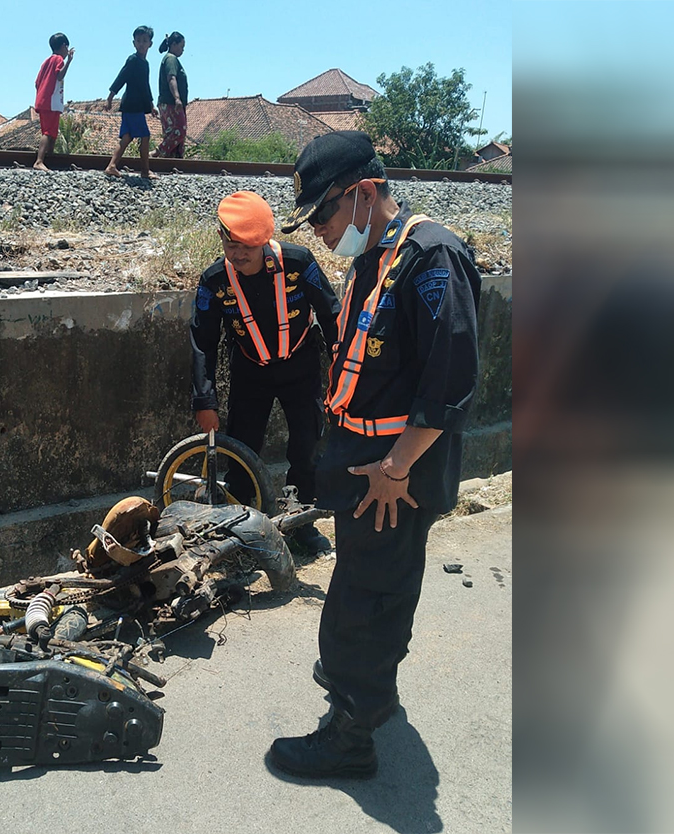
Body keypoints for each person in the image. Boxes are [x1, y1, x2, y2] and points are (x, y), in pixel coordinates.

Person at [269, 131, 481, 779]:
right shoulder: (377, 258)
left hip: (393, 476)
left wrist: (396, 467)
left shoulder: (432, 257)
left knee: (368, 595)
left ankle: (352, 733)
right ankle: (368, 690)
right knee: (370, 582)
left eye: (325, 215)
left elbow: (451, 378)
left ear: (363, 194)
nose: (323, 233)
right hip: (367, 467)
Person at [190, 191, 340, 555]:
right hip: (250, 372)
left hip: (301, 367)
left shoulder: (298, 262)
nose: (239, 254)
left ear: (263, 241)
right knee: (241, 453)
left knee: (306, 449)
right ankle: (240, 531)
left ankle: (302, 524)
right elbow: (201, 342)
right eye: (231, 244)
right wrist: (204, 401)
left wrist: (341, 370)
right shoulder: (213, 281)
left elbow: (333, 314)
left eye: (247, 246)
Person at [103, 25, 158, 179]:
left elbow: (145, 86)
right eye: (138, 40)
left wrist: (151, 105)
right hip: (132, 105)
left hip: (135, 106)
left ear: (150, 44)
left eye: (145, 41)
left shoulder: (145, 64)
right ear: (134, 43)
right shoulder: (133, 60)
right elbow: (121, 78)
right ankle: (145, 171)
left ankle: (112, 166)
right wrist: (110, 98)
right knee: (145, 136)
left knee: (127, 137)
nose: (141, 43)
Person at [33, 33, 74, 172]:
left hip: (44, 100)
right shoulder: (58, 60)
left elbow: (36, 82)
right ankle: (39, 161)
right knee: (48, 132)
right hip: (51, 101)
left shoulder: (46, 61)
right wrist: (69, 61)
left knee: (52, 132)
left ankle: (48, 160)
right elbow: (60, 75)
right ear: (63, 46)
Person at [152, 32, 187, 159]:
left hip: (170, 103)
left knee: (171, 133)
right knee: (179, 131)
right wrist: (177, 98)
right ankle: (158, 152)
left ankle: (172, 162)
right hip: (171, 103)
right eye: (181, 46)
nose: (182, 50)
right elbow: (171, 78)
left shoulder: (171, 59)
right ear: (173, 44)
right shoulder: (171, 59)